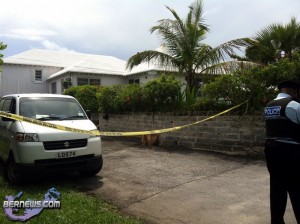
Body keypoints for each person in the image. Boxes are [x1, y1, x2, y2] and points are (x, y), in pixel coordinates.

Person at [264, 80, 300, 224]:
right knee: (297, 190)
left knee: (277, 191)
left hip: (272, 152)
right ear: (295, 91)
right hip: (291, 153)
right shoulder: (295, 105)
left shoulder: (268, 106)